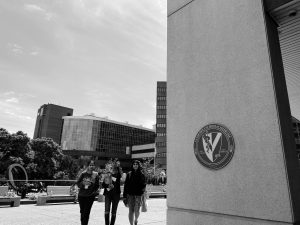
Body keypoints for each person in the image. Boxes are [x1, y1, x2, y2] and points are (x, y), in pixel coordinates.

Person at [123, 160, 146, 225]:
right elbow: (126, 185)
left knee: (136, 211)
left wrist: (141, 192)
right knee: (131, 211)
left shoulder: (142, 174)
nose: (135, 165)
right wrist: (124, 196)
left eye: (136, 164)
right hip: (130, 195)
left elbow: (144, 185)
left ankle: (136, 219)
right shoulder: (129, 174)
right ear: (132, 165)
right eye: (134, 164)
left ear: (138, 166)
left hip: (138, 195)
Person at [76, 160, 100, 225]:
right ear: (88, 166)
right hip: (81, 196)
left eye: (93, 165)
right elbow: (78, 183)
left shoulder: (96, 174)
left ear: (94, 166)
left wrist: (94, 193)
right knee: (82, 212)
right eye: (90, 165)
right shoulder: (83, 173)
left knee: (86, 213)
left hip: (90, 197)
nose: (91, 166)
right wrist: (83, 184)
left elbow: (97, 185)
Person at [102, 160, 122, 225]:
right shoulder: (107, 175)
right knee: (106, 211)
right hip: (108, 194)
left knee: (114, 212)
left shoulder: (118, 174)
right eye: (110, 167)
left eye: (112, 167)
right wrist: (108, 186)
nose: (111, 168)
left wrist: (118, 167)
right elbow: (103, 185)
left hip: (116, 195)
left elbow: (121, 178)